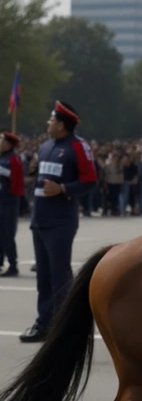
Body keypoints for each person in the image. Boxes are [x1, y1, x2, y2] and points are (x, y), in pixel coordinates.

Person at [22, 102, 98, 342]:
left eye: (51, 120)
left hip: (61, 221)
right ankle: (44, 322)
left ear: (62, 125)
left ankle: (67, 326)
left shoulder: (78, 146)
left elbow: (90, 179)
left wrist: (64, 188)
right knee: (43, 276)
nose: (47, 123)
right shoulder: (45, 147)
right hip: (40, 218)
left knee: (60, 274)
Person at [0, 132, 23, 276]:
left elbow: (17, 182)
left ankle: (13, 265)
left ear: (8, 144)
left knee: (8, 235)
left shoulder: (13, 159)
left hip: (8, 203)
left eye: (1, 140)